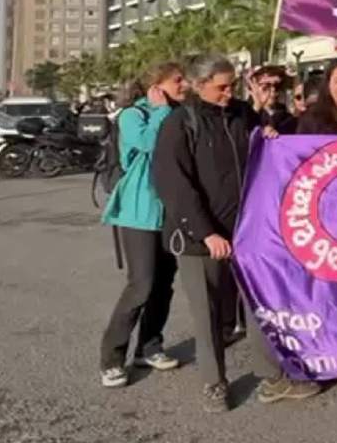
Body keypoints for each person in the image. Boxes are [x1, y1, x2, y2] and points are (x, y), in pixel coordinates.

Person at [152, 55, 321, 412]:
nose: (230, 93)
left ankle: (272, 375)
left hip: (248, 233)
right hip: (202, 241)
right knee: (209, 315)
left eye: (232, 85)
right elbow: (174, 184)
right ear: (200, 85)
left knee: (258, 306)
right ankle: (214, 383)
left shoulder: (243, 113)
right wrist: (206, 233)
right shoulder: (180, 123)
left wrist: (269, 134)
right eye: (222, 87)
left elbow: (266, 151)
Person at [98, 62, 188, 389]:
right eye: (177, 80)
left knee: (164, 283)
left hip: (169, 212)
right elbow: (150, 144)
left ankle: (149, 346)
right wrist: (161, 111)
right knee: (141, 284)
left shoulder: (179, 113)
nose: (184, 84)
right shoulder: (132, 116)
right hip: (138, 212)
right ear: (156, 86)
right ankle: (112, 358)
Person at [246, 65, 295, 133]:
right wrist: (257, 106)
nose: (273, 89)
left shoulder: (288, 119)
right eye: (266, 86)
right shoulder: (242, 113)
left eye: (277, 86)